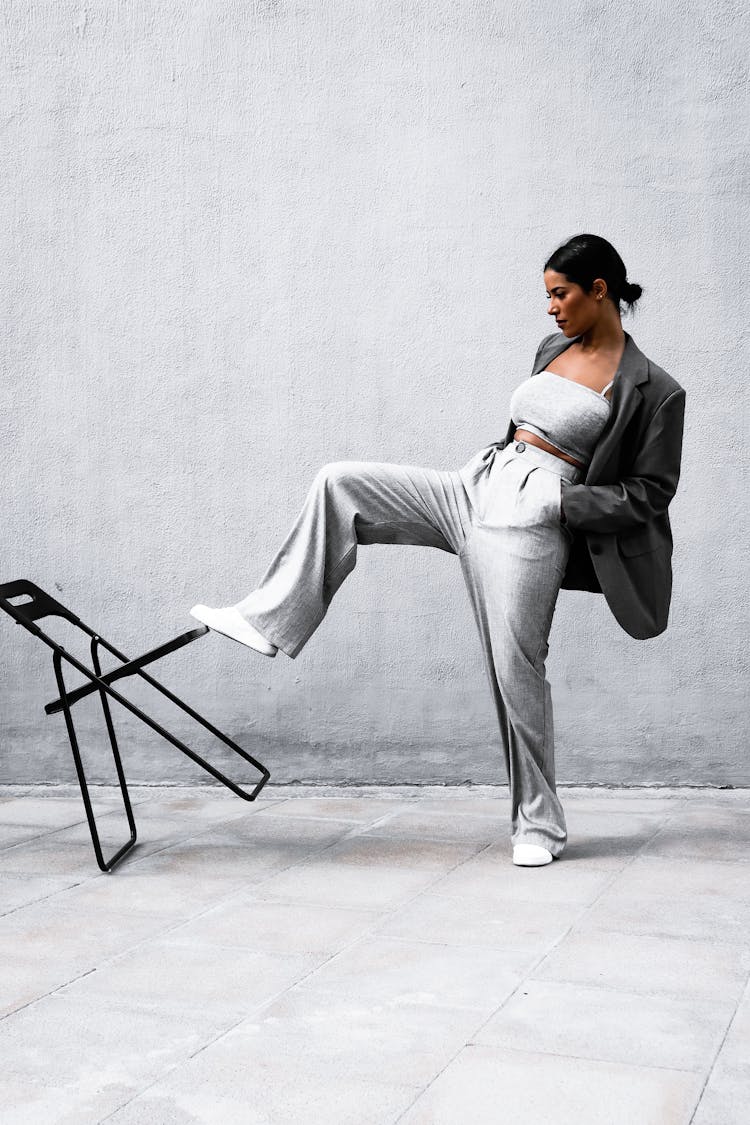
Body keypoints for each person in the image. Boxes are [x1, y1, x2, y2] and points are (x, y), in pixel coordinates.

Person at [191, 233, 686, 867]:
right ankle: (268, 619)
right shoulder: (552, 347)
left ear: (599, 291)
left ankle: (540, 825)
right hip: (473, 486)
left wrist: (556, 504)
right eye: (546, 296)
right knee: (341, 482)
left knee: (516, 669)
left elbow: (649, 494)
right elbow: (527, 430)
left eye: (559, 294)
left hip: (531, 520)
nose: (550, 308)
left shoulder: (655, 389)